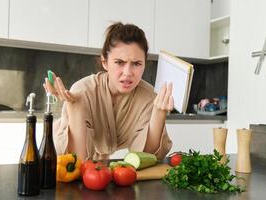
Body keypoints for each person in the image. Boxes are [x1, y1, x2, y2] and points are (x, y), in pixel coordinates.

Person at [44, 22, 174, 161]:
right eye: (119, 62)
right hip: (57, 156)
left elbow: (145, 157)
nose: (128, 72)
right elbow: (75, 161)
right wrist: (75, 108)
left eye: (136, 63)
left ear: (144, 64)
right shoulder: (83, 91)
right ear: (105, 62)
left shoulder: (149, 98)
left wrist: (159, 114)